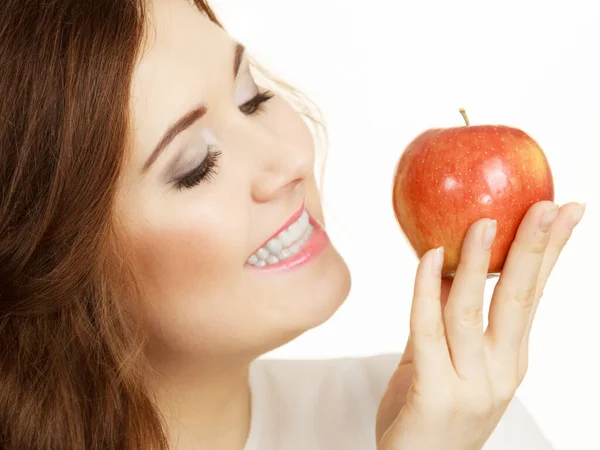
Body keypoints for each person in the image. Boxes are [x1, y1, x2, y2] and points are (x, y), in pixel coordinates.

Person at [0, 1, 586, 449]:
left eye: (251, 96)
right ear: (52, 261)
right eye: (196, 164)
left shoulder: (456, 421)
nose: (290, 161)